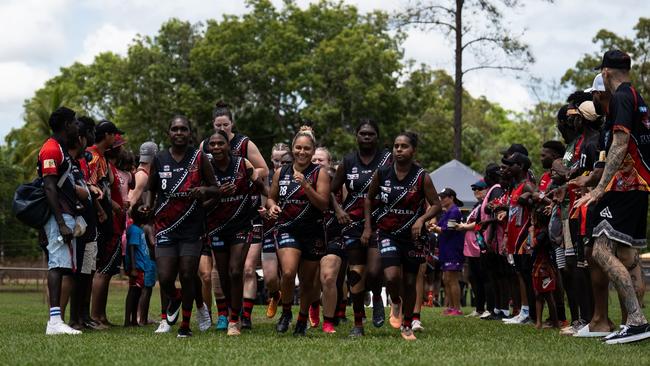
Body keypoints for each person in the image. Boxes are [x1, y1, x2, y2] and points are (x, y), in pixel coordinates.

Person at [576, 50, 650, 344]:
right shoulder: (637, 97)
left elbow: (620, 144)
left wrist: (598, 189)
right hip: (638, 185)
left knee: (601, 251)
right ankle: (635, 321)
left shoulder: (620, 96)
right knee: (628, 257)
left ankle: (636, 320)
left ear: (605, 72)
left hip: (624, 186)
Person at [140, 115, 220, 338]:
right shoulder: (159, 158)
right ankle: (174, 299)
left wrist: (203, 191)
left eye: (183, 129)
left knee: (187, 274)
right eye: (175, 129)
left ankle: (185, 325)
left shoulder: (199, 158)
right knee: (165, 278)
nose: (179, 133)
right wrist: (147, 205)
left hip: (192, 227)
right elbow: (150, 188)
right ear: (169, 133)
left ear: (190, 133)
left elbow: (216, 188)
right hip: (165, 227)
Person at [362, 131, 441, 341]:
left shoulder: (422, 176)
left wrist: (421, 220)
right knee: (392, 276)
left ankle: (407, 325)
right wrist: (368, 228)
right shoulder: (382, 173)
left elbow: (436, 205)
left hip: (413, 236)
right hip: (387, 233)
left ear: (413, 150)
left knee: (409, 281)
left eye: (403, 146)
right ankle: (394, 301)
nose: (398, 150)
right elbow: (369, 200)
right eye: (396, 146)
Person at [202, 101, 269, 330]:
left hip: (242, 219)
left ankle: (235, 319)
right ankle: (227, 313)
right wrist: (217, 192)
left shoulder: (243, 155)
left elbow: (262, 177)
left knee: (237, 270)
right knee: (220, 272)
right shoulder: (205, 158)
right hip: (216, 222)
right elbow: (200, 195)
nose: (218, 143)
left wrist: (263, 195)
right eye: (217, 127)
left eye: (225, 126)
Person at [330, 119, 392, 336]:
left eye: (371, 134)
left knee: (374, 271)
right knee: (356, 273)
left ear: (377, 137)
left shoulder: (387, 160)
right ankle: (358, 324)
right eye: (362, 133)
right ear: (356, 136)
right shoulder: (348, 162)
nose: (366, 137)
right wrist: (338, 210)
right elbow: (330, 190)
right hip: (353, 224)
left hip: (381, 223)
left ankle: (376, 296)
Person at [266, 126, 330, 336]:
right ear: (292, 149)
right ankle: (286, 312)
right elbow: (271, 197)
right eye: (298, 148)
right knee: (288, 271)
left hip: (312, 232)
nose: (302, 152)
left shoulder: (319, 173)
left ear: (313, 152)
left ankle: (302, 319)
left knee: (308, 282)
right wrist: (272, 206)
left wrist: (306, 186)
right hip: (287, 228)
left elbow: (323, 205)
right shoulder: (280, 172)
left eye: (307, 149)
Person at [39, 106, 82, 335]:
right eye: (74, 122)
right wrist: (61, 222)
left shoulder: (62, 149)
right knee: (57, 265)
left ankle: (57, 320)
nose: (77, 126)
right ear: (66, 125)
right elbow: (49, 186)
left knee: (64, 266)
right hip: (59, 216)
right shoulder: (50, 149)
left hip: (66, 215)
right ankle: (54, 321)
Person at [87, 120, 121, 328]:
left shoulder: (102, 157)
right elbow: (90, 186)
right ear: (107, 135)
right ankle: (94, 316)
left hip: (105, 215)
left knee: (102, 267)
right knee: (100, 268)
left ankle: (99, 316)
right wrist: (102, 210)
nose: (116, 139)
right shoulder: (92, 156)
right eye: (114, 135)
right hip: (97, 218)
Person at [312, 147, 347, 333]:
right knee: (312, 281)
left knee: (329, 278)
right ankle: (312, 307)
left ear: (329, 162)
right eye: (314, 160)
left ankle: (329, 321)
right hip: (311, 234)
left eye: (321, 160)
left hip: (335, 234)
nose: (317, 163)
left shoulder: (340, 182)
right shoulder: (304, 180)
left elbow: (349, 207)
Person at [262, 143, 291, 319]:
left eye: (283, 160)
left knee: (289, 273)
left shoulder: (295, 175)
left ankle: (288, 312)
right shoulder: (267, 177)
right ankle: (274, 294)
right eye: (275, 160)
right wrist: (264, 210)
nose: (279, 164)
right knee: (270, 277)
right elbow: (264, 199)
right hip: (269, 230)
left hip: (290, 231)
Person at [456, 180, 488, 318]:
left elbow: (480, 223)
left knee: (482, 277)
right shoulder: (477, 205)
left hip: (479, 246)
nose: (476, 192)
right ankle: (479, 307)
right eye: (474, 189)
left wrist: (464, 227)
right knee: (473, 277)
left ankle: (487, 307)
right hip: (471, 247)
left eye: (479, 189)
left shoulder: (485, 205)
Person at [430, 188, 465, 316]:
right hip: (446, 249)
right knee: (446, 279)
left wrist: (435, 228)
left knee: (452, 278)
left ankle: (457, 308)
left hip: (453, 249)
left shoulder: (454, 212)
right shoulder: (447, 212)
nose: (441, 199)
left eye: (444, 197)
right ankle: (451, 307)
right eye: (441, 197)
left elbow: (447, 230)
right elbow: (440, 227)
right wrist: (434, 227)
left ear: (451, 198)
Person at [124, 203, 149, 326]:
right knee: (133, 292)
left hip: (141, 266)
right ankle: (127, 321)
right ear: (134, 214)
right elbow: (132, 248)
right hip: (136, 267)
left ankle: (134, 320)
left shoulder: (139, 229)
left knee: (138, 292)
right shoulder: (134, 230)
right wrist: (133, 268)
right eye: (141, 210)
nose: (144, 212)